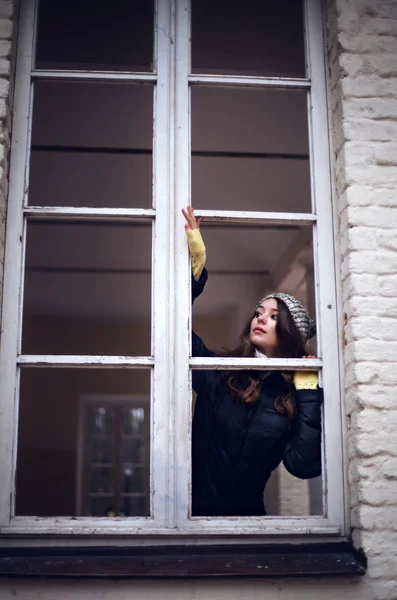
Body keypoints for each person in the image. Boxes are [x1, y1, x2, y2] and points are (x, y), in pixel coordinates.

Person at [182, 205, 323, 517]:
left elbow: (302, 465)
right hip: (191, 516)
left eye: (273, 317)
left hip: (249, 523)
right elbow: (173, 329)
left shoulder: (291, 397)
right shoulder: (220, 372)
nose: (260, 318)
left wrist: (308, 387)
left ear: (288, 332)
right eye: (259, 313)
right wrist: (196, 265)